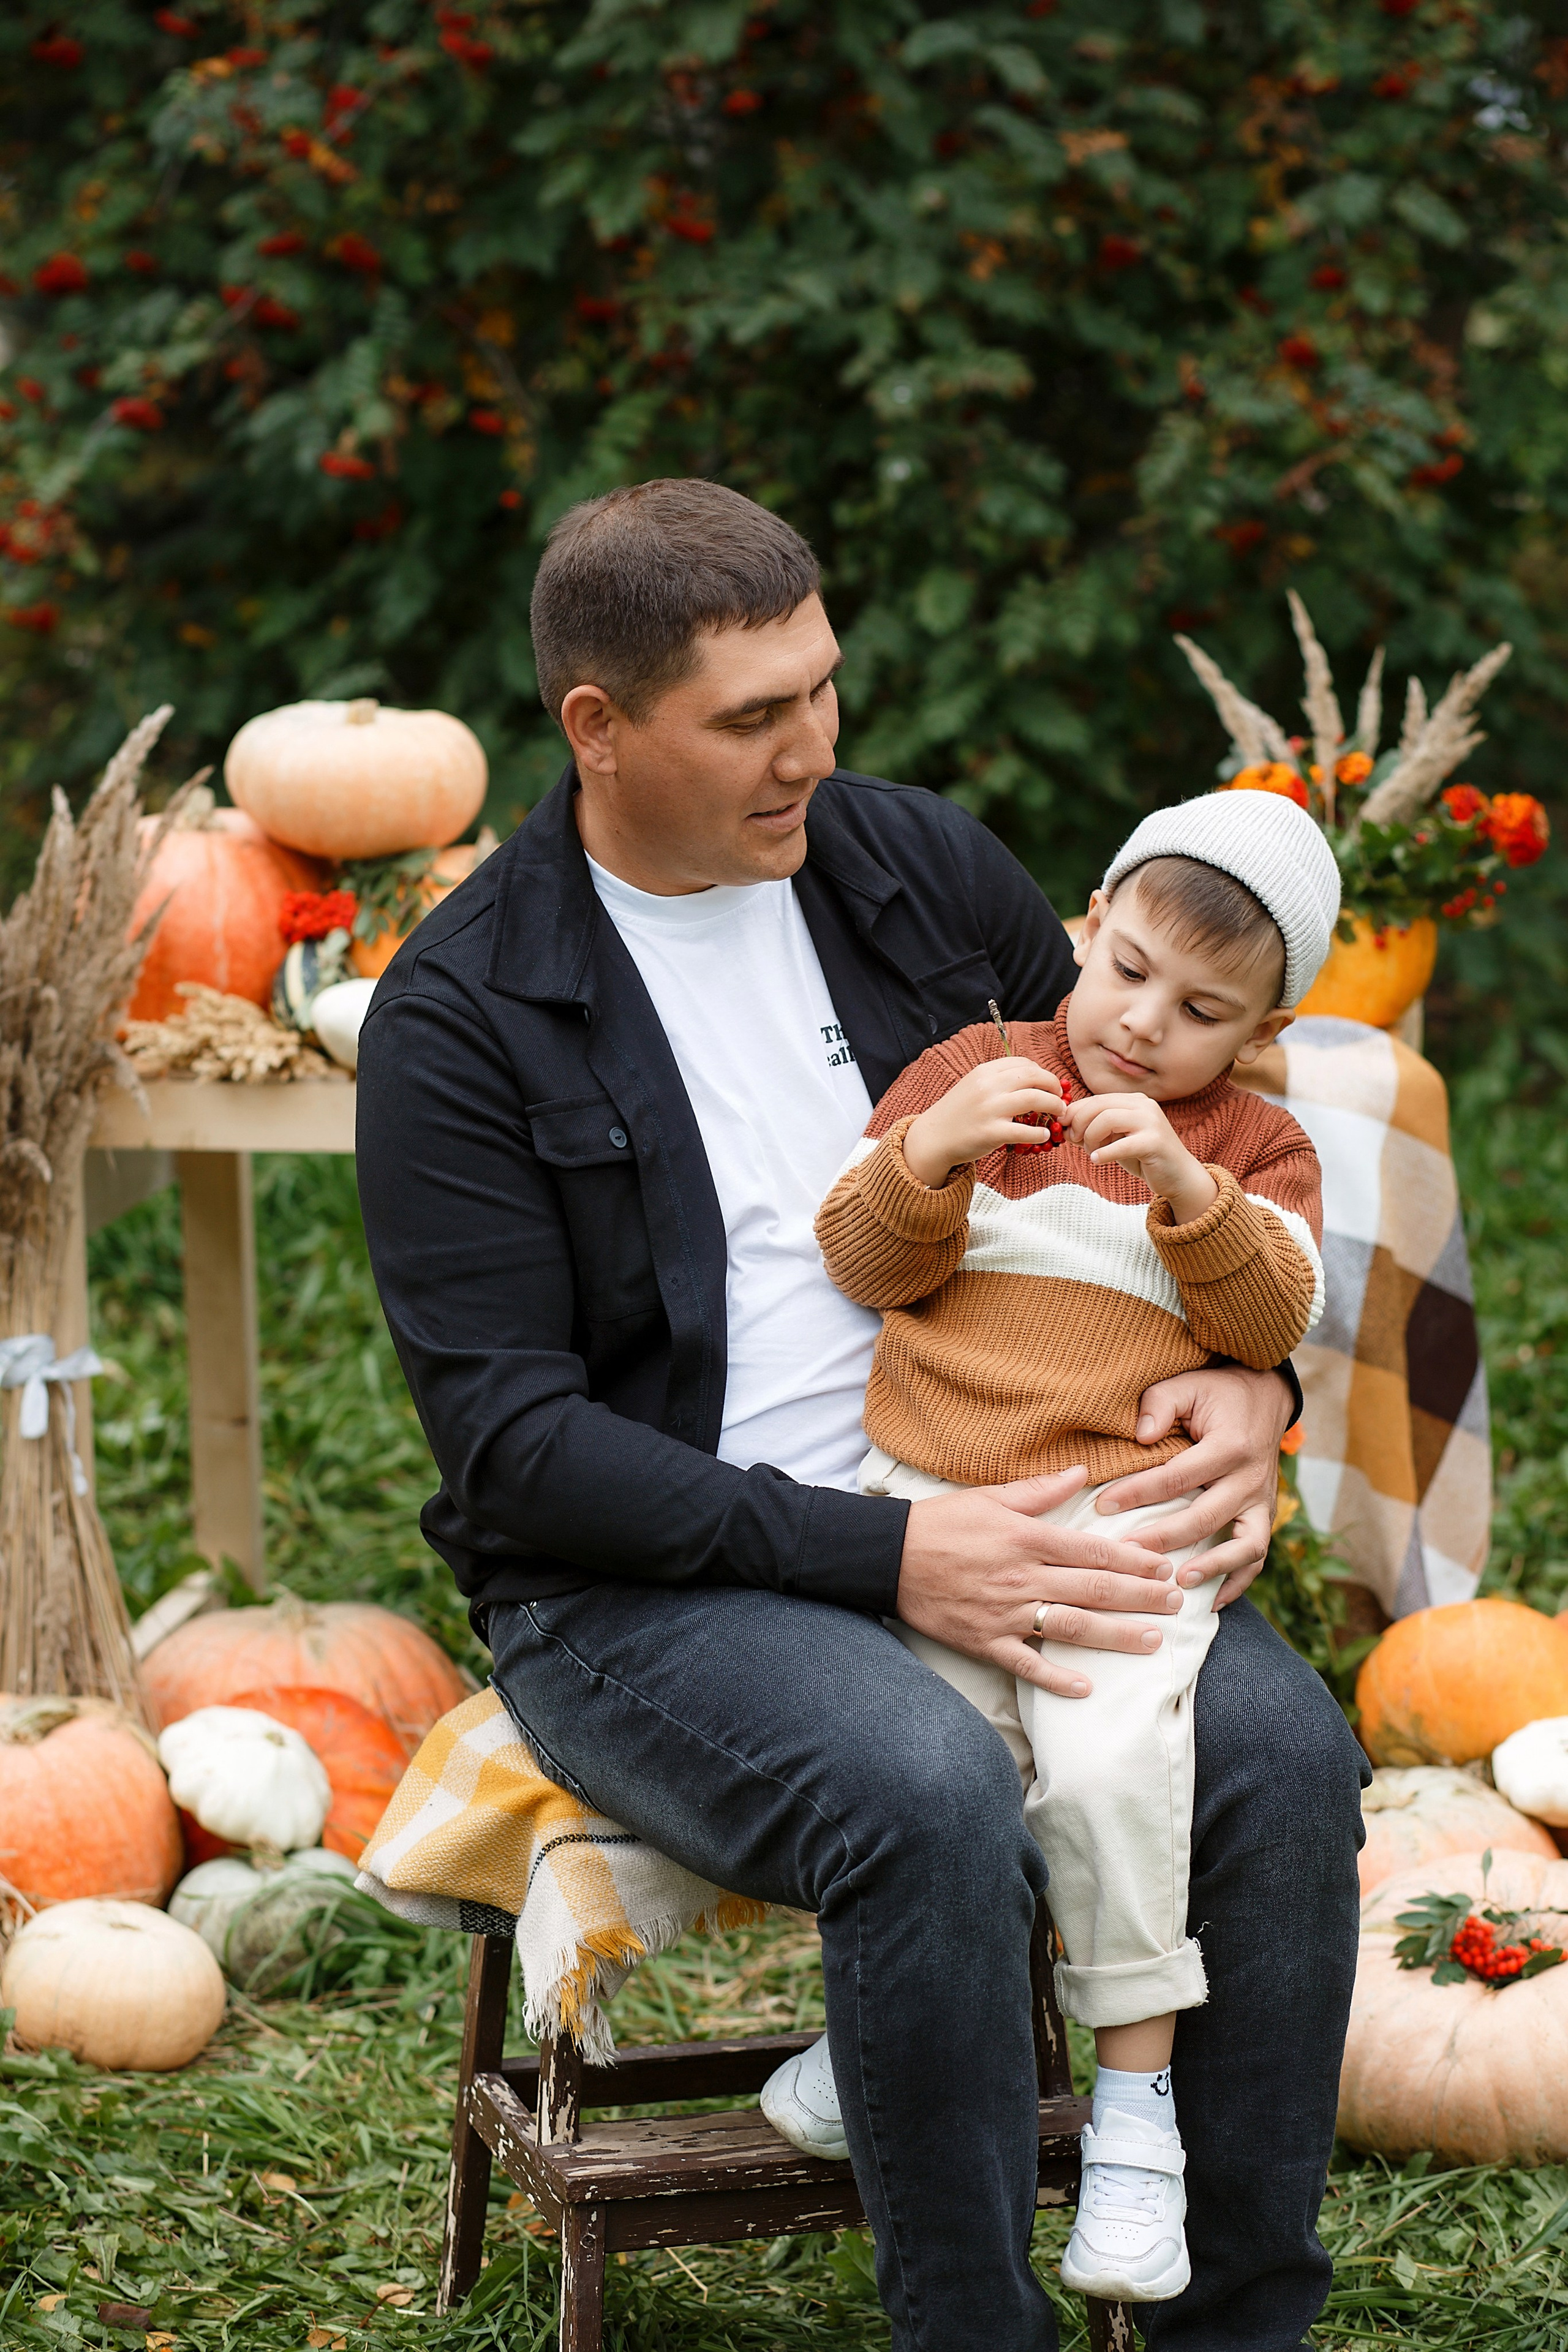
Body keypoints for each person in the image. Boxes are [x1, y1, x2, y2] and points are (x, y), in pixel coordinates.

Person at [354, 477, 1368, 2352]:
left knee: (1284, 1757)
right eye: (755, 715)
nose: (813, 746)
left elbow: (1172, 1126)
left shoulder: (910, 868)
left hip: (1022, 1482)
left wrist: (1258, 1379)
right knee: (921, 1787)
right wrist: (891, 1555)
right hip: (647, 1587)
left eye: (822, 686)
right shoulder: (466, 1018)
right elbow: (518, 1453)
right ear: (599, 726)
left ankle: (1240, 2327)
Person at [758, 790, 1339, 2307]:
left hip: (1118, 1521)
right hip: (932, 1501)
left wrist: (1186, 1195)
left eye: (1201, 1012)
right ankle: (892, 2034)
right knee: (941, 1779)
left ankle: (1135, 2120)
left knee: (1104, 1771)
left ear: (1263, 1030)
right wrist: (930, 1153)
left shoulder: (1256, 1148)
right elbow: (863, 1262)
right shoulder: (973, 1072)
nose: (1143, 1025)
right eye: (1128, 970)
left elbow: (1267, 1320)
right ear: (1087, 924)